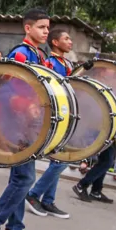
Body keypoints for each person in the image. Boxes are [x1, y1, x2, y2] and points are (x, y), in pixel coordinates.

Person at [0, 8, 51, 230]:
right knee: (25, 178)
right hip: (16, 125)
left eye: (48, 28)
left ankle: (15, 229)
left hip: (28, 125)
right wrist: (24, 105)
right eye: (41, 27)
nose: (46, 31)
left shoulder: (37, 54)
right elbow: (4, 88)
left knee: (19, 178)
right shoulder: (20, 54)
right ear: (27, 28)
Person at [25, 28, 73, 219]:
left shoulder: (65, 62)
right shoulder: (51, 63)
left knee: (59, 159)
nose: (70, 42)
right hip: (52, 116)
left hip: (64, 115)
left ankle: (48, 200)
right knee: (60, 160)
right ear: (55, 42)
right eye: (66, 38)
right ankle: (35, 194)